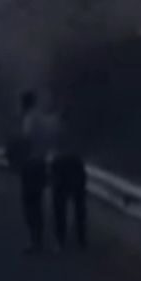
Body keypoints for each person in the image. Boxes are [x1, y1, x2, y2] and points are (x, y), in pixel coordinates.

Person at [16, 90, 57, 253]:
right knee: (37, 202)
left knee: (29, 203)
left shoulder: (29, 120)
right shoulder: (41, 119)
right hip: (41, 162)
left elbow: (26, 142)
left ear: (24, 103)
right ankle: (38, 239)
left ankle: (35, 241)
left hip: (30, 165)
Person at [50, 106, 88, 250]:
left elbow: (50, 148)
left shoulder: (55, 131)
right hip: (74, 165)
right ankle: (81, 238)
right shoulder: (78, 131)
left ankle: (61, 239)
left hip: (61, 165)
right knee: (78, 205)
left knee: (60, 205)